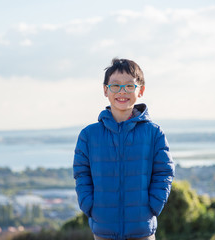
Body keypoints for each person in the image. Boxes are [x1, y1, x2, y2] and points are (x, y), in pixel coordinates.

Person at [73, 58, 175, 240]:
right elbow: (82, 173)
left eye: (129, 86)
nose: (122, 92)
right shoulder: (89, 135)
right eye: (115, 86)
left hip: (142, 230)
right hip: (103, 230)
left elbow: (164, 172)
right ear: (105, 90)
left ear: (141, 90)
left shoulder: (154, 133)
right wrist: (90, 206)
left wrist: (153, 206)